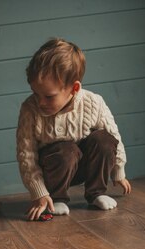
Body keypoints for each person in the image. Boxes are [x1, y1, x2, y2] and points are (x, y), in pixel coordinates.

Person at [16, 38, 131, 220]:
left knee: (104, 138)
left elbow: (115, 137)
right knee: (65, 149)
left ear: (74, 88)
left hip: (86, 165)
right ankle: (57, 197)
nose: (40, 102)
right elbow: (26, 156)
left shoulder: (93, 102)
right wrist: (39, 193)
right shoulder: (30, 109)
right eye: (35, 93)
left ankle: (96, 193)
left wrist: (118, 170)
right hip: (55, 168)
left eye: (48, 96)